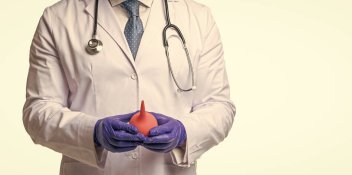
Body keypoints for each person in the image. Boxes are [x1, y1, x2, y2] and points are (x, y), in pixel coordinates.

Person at [22, 0, 236, 174]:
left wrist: (183, 132)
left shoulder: (198, 17)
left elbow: (219, 106)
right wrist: (93, 133)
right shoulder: (58, 19)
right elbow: (38, 111)